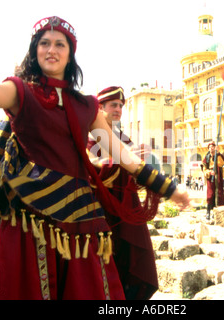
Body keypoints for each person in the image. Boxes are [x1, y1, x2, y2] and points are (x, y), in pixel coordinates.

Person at [0, 0, 189, 300]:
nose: (51, 49)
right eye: (44, 43)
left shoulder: (86, 106)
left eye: (59, 44)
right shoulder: (20, 92)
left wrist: (169, 188)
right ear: (34, 50)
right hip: (26, 224)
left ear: (70, 53)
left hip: (79, 228)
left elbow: (123, 155)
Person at [87, 86, 158, 300]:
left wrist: (140, 165)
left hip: (127, 210)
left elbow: (132, 179)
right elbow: (92, 171)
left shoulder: (123, 139)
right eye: (113, 105)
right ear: (100, 107)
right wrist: (122, 161)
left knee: (132, 263)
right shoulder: (88, 136)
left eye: (120, 106)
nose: (118, 109)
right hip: (100, 212)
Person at [201, 142, 224, 220]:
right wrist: (209, 172)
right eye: (210, 147)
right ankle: (208, 211)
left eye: (213, 146)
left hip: (218, 176)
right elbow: (204, 169)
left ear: (215, 147)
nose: (211, 148)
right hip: (210, 177)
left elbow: (222, 163)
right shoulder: (206, 157)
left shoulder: (218, 156)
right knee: (210, 194)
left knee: (218, 193)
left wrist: (218, 154)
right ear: (208, 148)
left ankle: (217, 213)